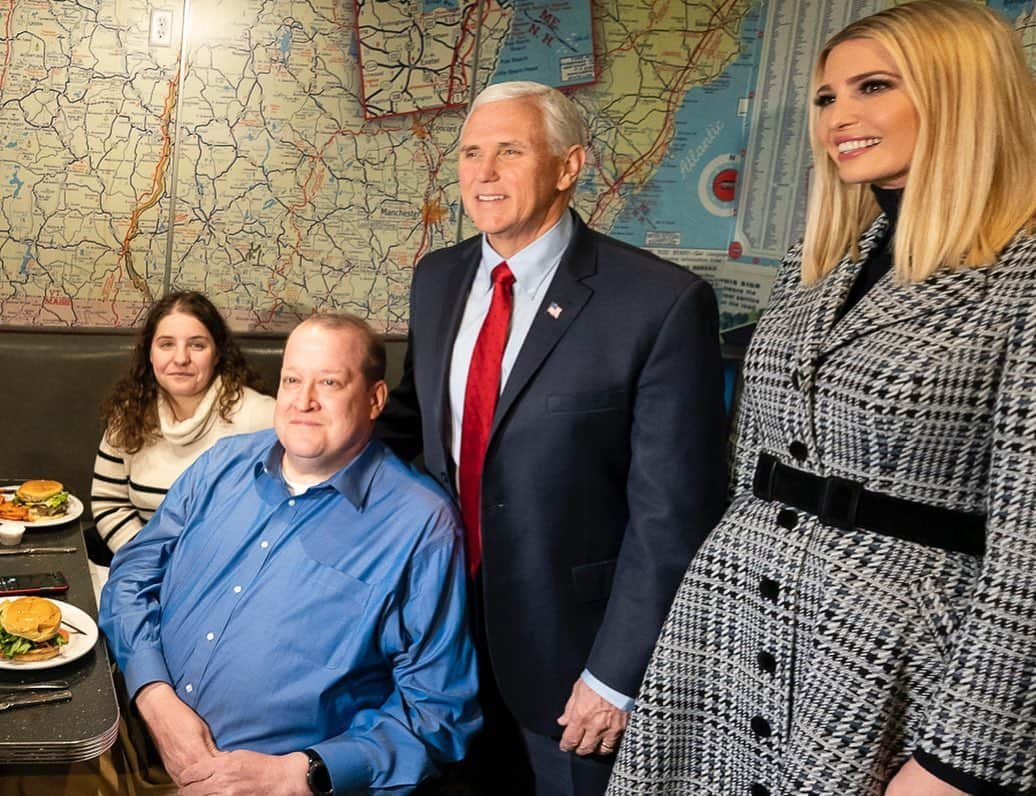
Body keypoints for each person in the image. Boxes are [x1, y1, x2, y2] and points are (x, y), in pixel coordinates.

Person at [608, 2, 1036, 794]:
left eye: (872, 86)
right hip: (730, 623)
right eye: (826, 97)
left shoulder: (1020, 278)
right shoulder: (817, 264)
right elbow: (755, 460)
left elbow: (1028, 556)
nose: (840, 115)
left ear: (962, 93)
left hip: (892, 659)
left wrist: (961, 759)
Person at [377, 81, 727, 795]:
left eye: (510, 150)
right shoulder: (437, 278)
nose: (483, 172)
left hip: (571, 665)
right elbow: (413, 421)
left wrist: (615, 675)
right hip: (441, 644)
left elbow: (673, 515)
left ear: (568, 166)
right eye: (472, 152)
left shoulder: (659, 303)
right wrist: (291, 456)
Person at [99, 314, 481, 795]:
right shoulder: (222, 465)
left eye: (329, 382)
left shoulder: (421, 524)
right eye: (292, 380)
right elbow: (133, 575)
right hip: (127, 738)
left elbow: (438, 713)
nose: (304, 402)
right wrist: (154, 696)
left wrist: (299, 773)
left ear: (375, 399)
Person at [91, 291, 275, 556]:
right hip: (144, 566)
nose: (180, 358)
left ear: (217, 354)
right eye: (166, 344)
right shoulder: (130, 413)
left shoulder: (261, 418)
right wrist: (146, 561)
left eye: (197, 345)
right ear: (149, 353)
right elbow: (109, 500)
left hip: (227, 573)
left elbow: (280, 515)